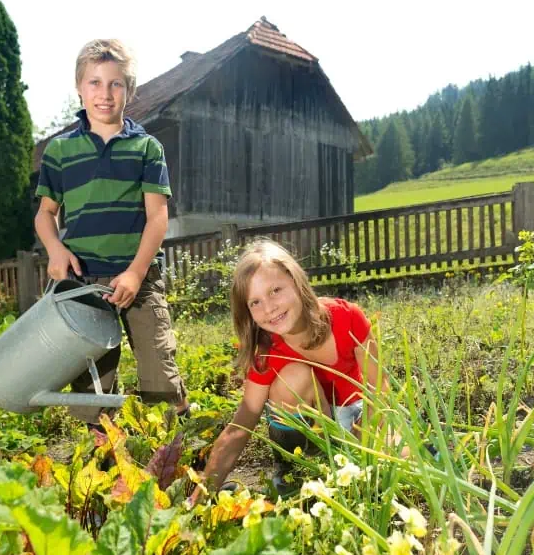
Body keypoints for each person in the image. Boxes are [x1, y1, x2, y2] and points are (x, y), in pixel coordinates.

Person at [34, 39, 188, 424]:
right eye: (95, 83)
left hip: (138, 278)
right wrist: (54, 249)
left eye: (115, 84)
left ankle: (176, 442)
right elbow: (45, 214)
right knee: (91, 385)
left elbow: (157, 218)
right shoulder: (60, 151)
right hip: (83, 282)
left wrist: (136, 272)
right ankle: (102, 458)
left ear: (129, 90)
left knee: (159, 372)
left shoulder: (146, 148)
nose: (105, 94)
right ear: (80, 88)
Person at [190, 239, 402, 501]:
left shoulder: (348, 317)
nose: (269, 308)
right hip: (305, 436)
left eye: (275, 290)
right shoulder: (266, 353)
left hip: (357, 417)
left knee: (401, 458)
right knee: (295, 376)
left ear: (295, 280)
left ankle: (344, 470)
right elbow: (241, 425)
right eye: (254, 302)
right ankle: (299, 471)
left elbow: (379, 388)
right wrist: (203, 491)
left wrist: (360, 437)